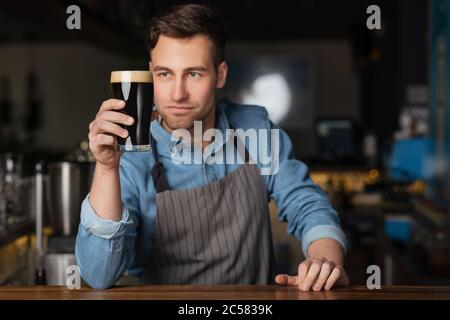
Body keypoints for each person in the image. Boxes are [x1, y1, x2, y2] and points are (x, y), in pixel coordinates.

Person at [75, 3, 349, 291]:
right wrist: (106, 168)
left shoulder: (254, 129)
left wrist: (324, 260)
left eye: (194, 74)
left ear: (220, 75)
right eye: (165, 74)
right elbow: (99, 275)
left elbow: (306, 203)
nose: (177, 94)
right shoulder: (131, 158)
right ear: (151, 72)